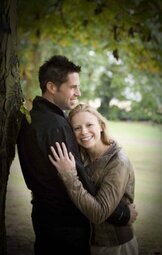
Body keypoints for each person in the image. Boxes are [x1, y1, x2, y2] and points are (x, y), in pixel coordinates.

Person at [17, 55, 137, 255]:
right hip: (66, 226)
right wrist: (120, 214)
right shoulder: (57, 125)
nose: (78, 92)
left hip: (43, 217)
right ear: (52, 87)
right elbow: (78, 179)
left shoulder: (30, 119)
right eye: (73, 87)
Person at [49, 103, 139, 255]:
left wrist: (69, 175)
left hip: (114, 246)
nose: (84, 132)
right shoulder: (80, 156)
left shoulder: (118, 163)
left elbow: (99, 213)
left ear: (101, 126)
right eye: (77, 128)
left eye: (89, 125)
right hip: (87, 241)